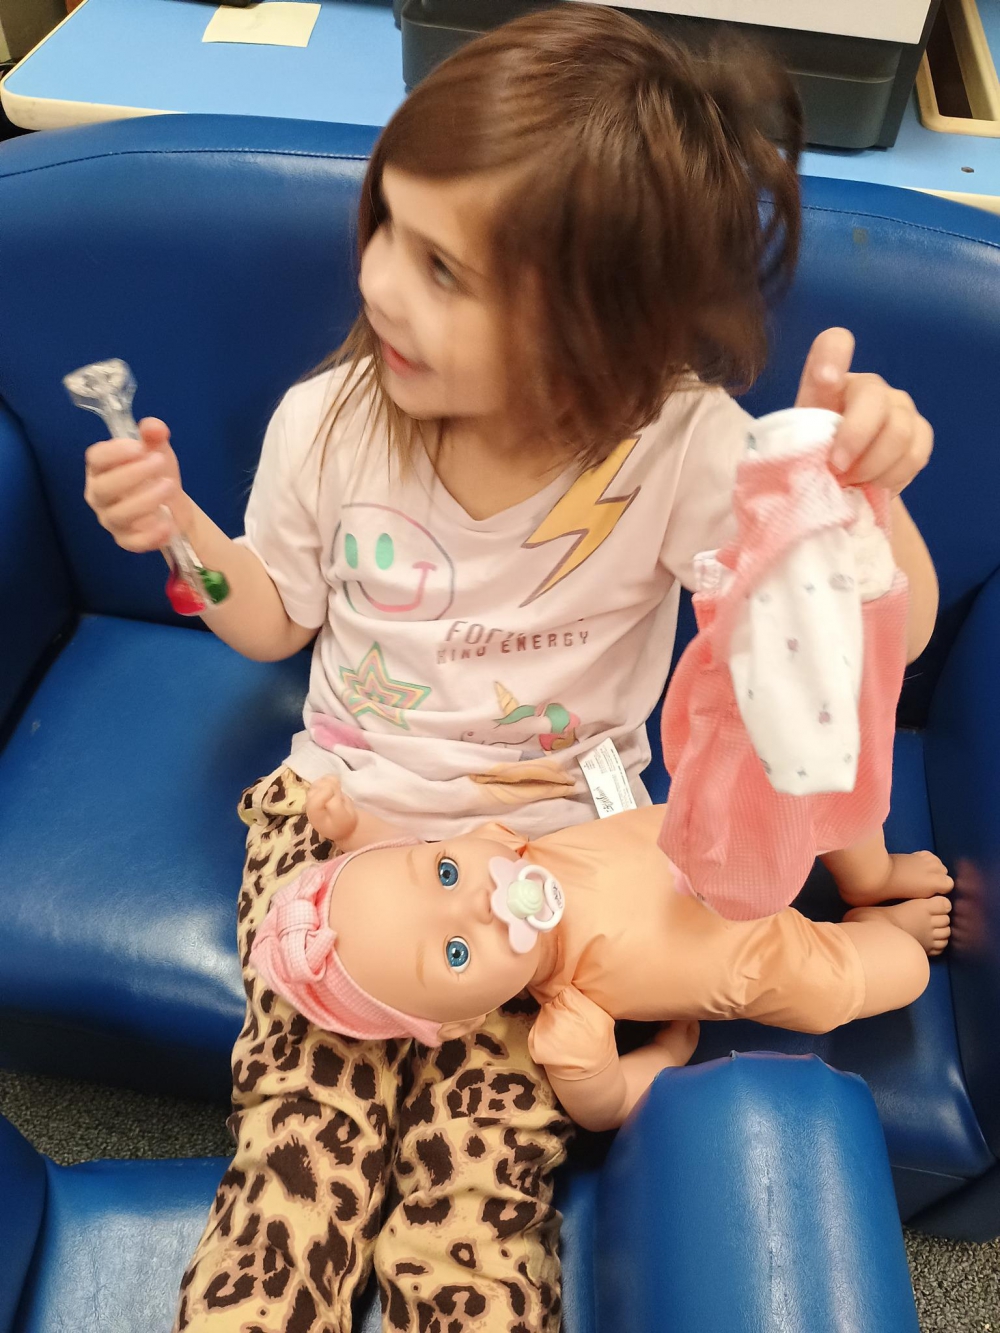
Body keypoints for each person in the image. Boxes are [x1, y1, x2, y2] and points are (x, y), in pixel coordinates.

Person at [83, 7, 946, 1330]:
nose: (382, 285)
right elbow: (269, 622)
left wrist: (859, 498)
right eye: (388, 226)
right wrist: (183, 537)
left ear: (603, 333)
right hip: (338, 824)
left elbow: (879, 634)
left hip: (557, 863)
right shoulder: (329, 421)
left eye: (444, 269)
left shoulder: (684, 447)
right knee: (295, 1147)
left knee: (482, 1188)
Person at [251, 778, 947, 1134]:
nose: (481, 903)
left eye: (447, 874)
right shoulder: (571, 1022)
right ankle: (881, 927)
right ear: (464, 1020)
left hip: (734, 843)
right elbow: (605, 1105)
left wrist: (355, 828)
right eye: (457, 952)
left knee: (813, 774)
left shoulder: (503, 845)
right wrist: (662, 1055)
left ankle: (871, 878)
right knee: (903, 970)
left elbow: (405, 856)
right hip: (777, 960)